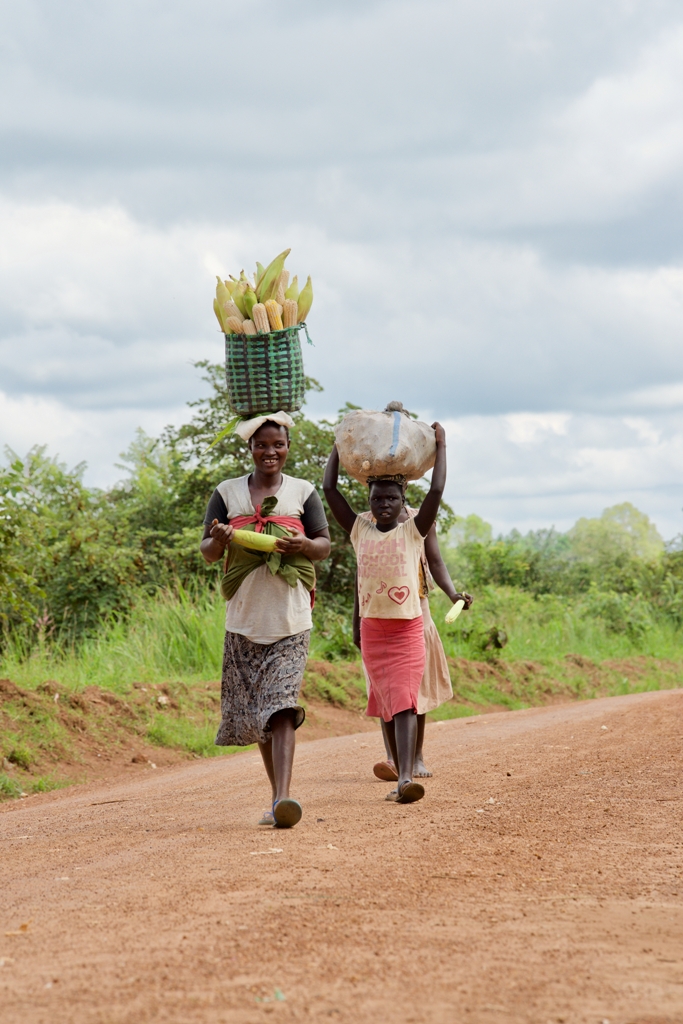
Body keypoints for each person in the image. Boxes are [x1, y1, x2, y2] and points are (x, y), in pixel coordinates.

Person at [200, 412, 330, 829]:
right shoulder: (227, 492)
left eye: (278, 444)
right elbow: (206, 551)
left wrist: (305, 544)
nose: (270, 452)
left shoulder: (303, 492)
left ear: (288, 447)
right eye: (262, 444)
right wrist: (218, 540)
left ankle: (284, 797)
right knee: (259, 714)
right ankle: (277, 798)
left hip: (291, 620)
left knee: (282, 709)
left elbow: (324, 546)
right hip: (243, 621)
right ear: (250, 448)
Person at [323, 423, 447, 805]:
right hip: (374, 631)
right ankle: (397, 765)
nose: (384, 505)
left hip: (408, 627)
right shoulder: (359, 530)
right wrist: (337, 446)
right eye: (377, 499)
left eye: (391, 499)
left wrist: (442, 445)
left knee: (407, 699)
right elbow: (330, 490)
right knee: (388, 703)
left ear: (402, 499)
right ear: (370, 502)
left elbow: (437, 490)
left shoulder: (413, 530)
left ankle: (406, 777)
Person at [353, 507, 473, 783]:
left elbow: (435, 561)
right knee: (383, 688)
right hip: (374, 612)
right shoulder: (364, 523)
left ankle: (416, 756)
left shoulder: (419, 518)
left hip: (414, 608)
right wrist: (355, 622)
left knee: (412, 685)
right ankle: (393, 758)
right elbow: (361, 575)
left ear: (404, 484)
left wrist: (452, 593)